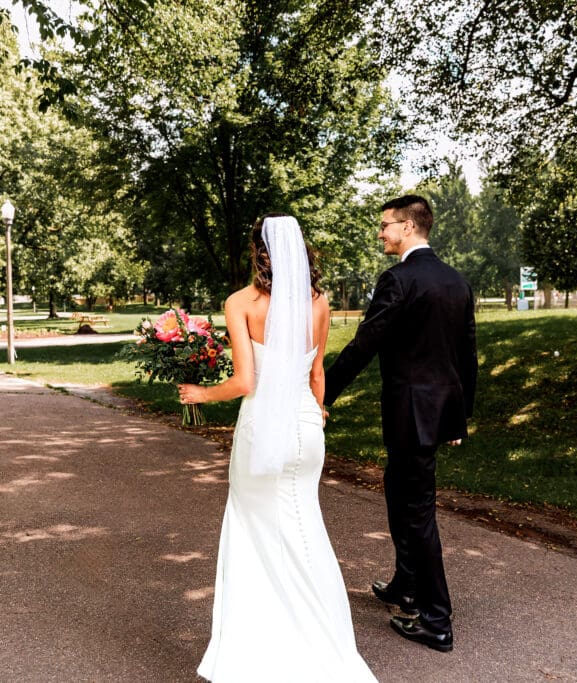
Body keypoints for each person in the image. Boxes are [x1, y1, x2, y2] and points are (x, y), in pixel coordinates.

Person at [178, 214, 377, 682]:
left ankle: (259, 657)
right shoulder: (320, 302)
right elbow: (316, 375)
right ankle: (325, 647)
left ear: (258, 252)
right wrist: (319, 410)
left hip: (262, 433)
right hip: (307, 431)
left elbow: (247, 381)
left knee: (253, 536)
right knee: (307, 531)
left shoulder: (241, 303)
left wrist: (200, 394)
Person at [323, 194, 478, 653]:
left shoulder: (398, 280)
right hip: (435, 412)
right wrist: (459, 415)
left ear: (408, 227)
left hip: (410, 413)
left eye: (385, 225)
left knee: (417, 512)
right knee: (399, 491)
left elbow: (364, 344)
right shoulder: (457, 281)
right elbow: (465, 355)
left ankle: (436, 621)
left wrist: (321, 393)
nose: (381, 232)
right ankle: (406, 585)